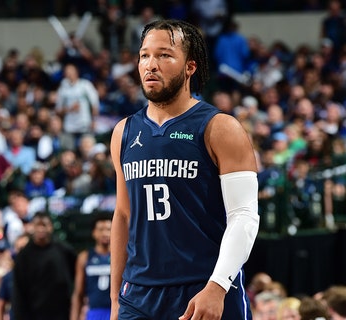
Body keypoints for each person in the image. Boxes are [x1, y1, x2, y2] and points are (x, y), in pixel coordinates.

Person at [109, 19, 259, 320]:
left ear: (190, 67)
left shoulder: (221, 128)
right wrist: (115, 299)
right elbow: (123, 216)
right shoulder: (123, 131)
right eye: (144, 55)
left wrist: (218, 286)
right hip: (138, 295)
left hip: (203, 288)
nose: (151, 65)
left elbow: (244, 215)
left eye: (164, 55)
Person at [12, 211, 76, 320]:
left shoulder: (65, 251)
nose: (41, 229)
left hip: (62, 312)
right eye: (38, 225)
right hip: (32, 313)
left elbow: (74, 279)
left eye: (44, 225)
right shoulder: (23, 256)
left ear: (51, 227)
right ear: (32, 228)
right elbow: (19, 289)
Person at [70, 212, 112, 320]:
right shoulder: (84, 257)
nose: (105, 233)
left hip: (116, 310)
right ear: (94, 232)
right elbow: (78, 293)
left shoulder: (121, 256)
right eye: (101, 229)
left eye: (108, 229)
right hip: (94, 312)